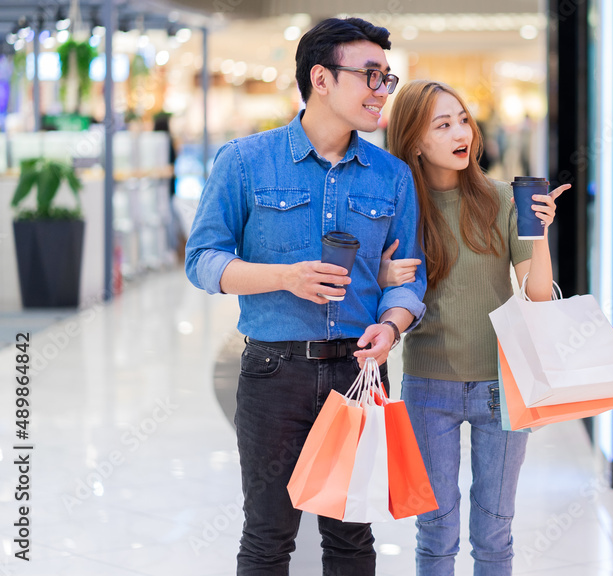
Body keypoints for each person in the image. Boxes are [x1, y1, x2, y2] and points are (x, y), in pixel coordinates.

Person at [184, 17, 426, 576]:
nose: (380, 90)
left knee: (351, 539)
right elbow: (203, 261)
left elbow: (411, 278)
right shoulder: (245, 162)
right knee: (268, 537)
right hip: (274, 375)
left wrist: (390, 326)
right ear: (320, 78)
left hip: (359, 377)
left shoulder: (391, 177)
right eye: (369, 75)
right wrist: (284, 277)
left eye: (386, 79)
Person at [383, 80, 569, 576]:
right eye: (442, 125)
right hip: (427, 385)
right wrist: (382, 276)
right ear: (414, 142)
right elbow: (379, 292)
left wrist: (540, 235)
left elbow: (535, 294)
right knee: (436, 536)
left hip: (500, 388)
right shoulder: (403, 212)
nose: (460, 132)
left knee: (493, 534)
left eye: (462, 119)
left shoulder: (502, 199)